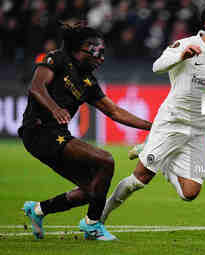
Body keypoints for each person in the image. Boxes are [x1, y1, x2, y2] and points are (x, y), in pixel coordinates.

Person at [100, 3, 205, 222]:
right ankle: (97, 218)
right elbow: (157, 66)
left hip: (198, 130)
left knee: (190, 193)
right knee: (140, 179)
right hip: (171, 123)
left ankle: (165, 161)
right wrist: (181, 56)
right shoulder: (187, 44)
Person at [18, 22, 152, 241]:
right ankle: (92, 225)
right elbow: (36, 87)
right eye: (99, 52)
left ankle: (38, 210)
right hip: (39, 131)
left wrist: (151, 126)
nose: (101, 58)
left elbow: (115, 111)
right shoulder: (58, 59)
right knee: (106, 160)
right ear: (84, 47)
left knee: (92, 189)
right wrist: (55, 108)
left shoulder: (88, 81)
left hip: (56, 135)